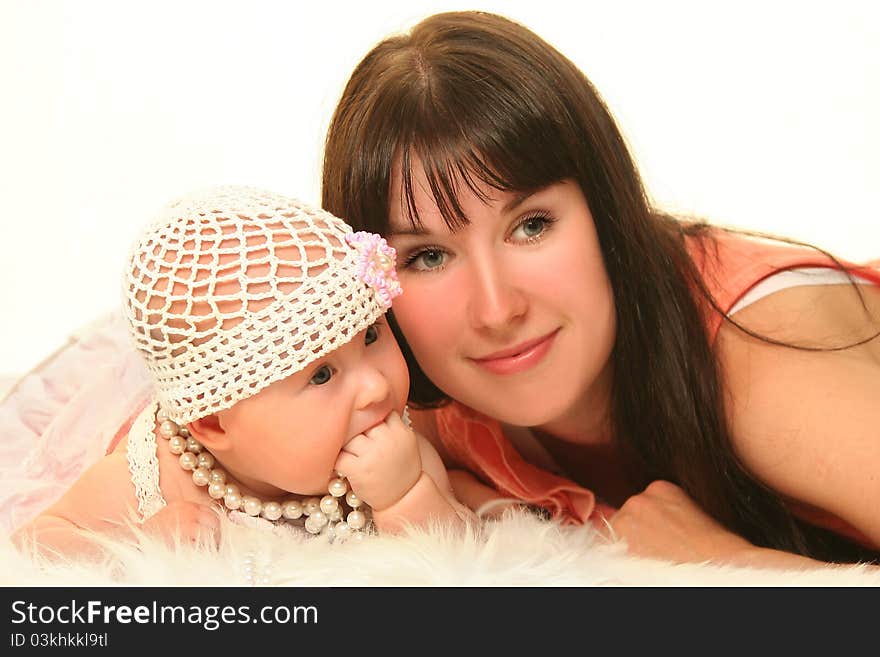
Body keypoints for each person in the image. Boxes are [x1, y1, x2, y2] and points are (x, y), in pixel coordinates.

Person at [320, 10, 880, 569]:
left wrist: (728, 566)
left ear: (606, 211)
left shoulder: (760, 365)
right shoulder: (417, 412)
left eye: (532, 225)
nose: (496, 310)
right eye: (430, 257)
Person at [12, 186, 471, 560]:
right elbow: (35, 544)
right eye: (321, 375)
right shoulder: (155, 476)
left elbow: (470, 563)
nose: (375, 387)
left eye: (370, 336)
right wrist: (139, 543)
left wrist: (405, 497)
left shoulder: (399, 455)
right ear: (213, 423)